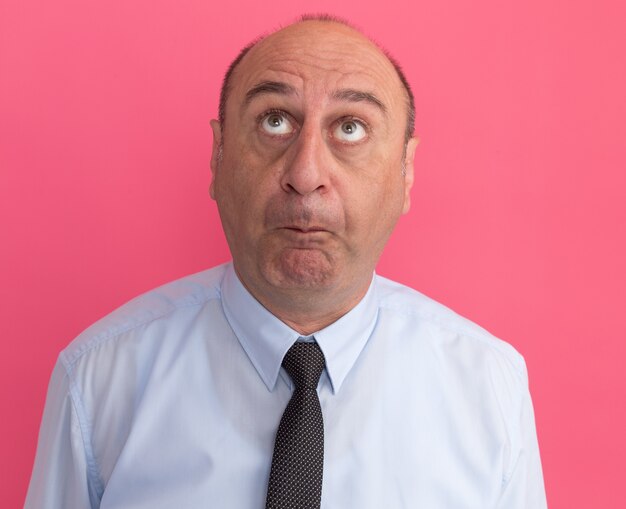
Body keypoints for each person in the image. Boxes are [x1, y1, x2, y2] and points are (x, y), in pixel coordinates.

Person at [25, 15, 547, 509]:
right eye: (275, 121)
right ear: (218, 155)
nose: (306, 172)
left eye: (351, 129)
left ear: (405, 172)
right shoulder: (98, 379)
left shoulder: (489, 386)